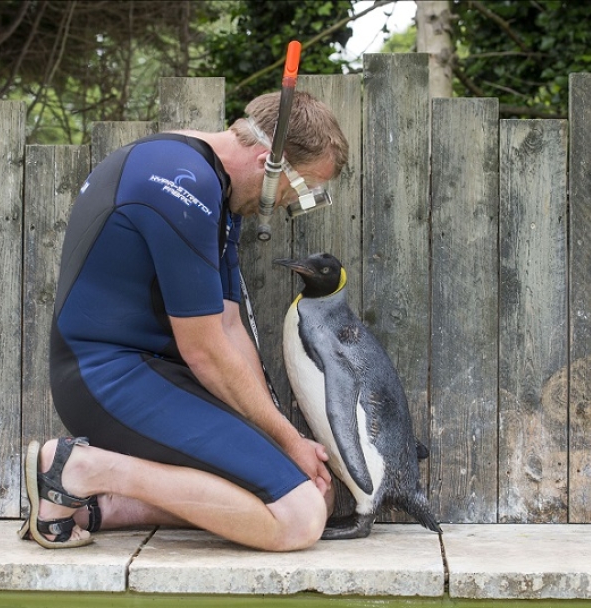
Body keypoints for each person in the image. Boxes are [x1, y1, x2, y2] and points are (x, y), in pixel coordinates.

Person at [20, 90, 349, 552]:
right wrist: (289, 439)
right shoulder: (181, 183)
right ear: (268, 161)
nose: (291, 203)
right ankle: (79, 468)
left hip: (156, 377)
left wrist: (278, 437)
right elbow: (205, 351)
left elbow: (230, 328)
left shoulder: (216, 191)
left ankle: (97, 507)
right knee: (299, 519)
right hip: (108, 380)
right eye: (302, 187)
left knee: (309, 492)